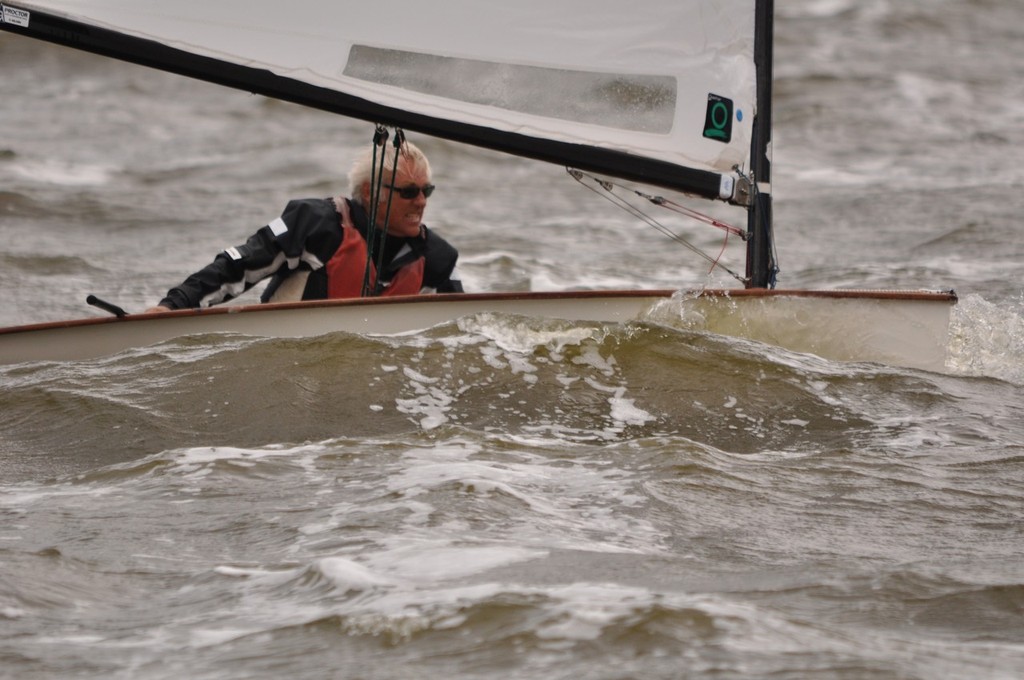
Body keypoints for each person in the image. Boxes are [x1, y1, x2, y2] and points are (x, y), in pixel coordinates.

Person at [143, 138, 462, 313]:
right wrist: (172, 306)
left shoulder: (439, 260)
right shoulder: (317, 224)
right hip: (289, 368)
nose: (421, 201)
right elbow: (238, 266)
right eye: (408, 192)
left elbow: (458, 331)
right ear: (370, 192)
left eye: (426, 190)